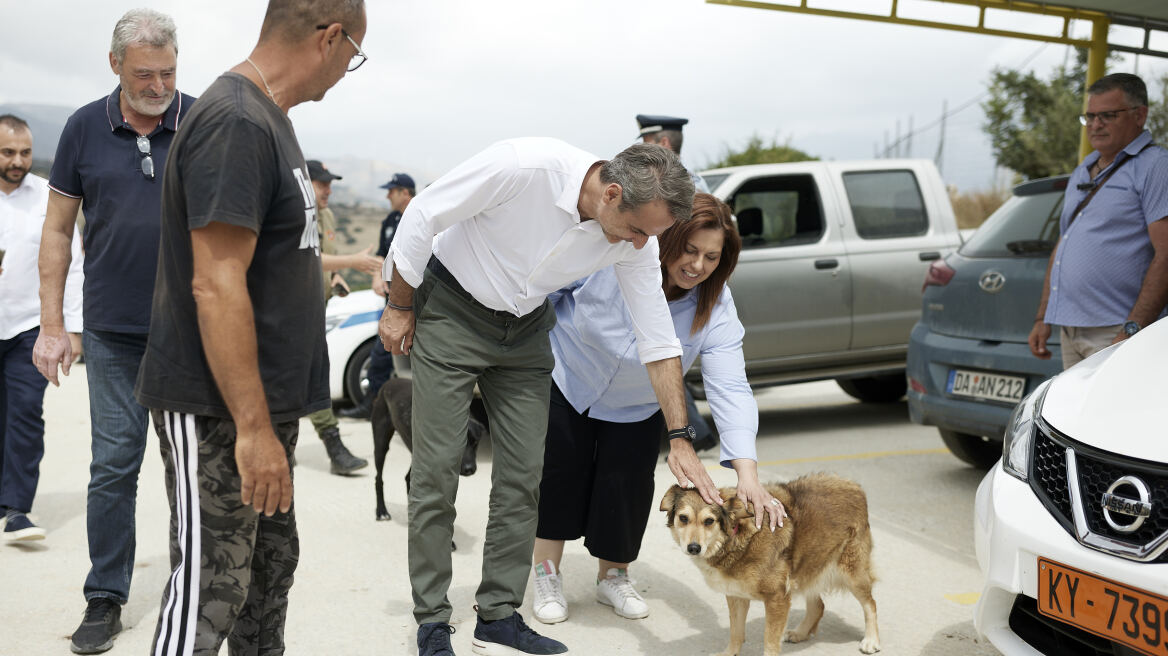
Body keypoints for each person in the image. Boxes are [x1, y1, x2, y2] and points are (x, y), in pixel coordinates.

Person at [380, 139, 718, 656]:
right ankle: (431, 620)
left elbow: (657, 338)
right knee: (437, 472)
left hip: (525, 330)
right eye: (637, 230)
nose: (639, 245)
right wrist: (400, 306)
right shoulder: (523, 167)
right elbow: (423, 214)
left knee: (523, 478)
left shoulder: (637, 241)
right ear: (611, 194)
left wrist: (679, 436)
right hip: (452, 311)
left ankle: (498, 617)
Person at [131, 1, 366, 652]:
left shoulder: (270, 117)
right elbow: (215, 282)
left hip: (262, 406)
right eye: (355, 54)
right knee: (212, 592)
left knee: (266, 575)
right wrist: (254, 429)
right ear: (330, 38)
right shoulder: (236, 121)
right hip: (218, 408)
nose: (350, 69)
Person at [530, 194, 786, 624]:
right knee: (558, 479)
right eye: (689, 249)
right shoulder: (611, 255)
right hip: (569, 380)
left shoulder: (715, 304)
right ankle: (546, 574)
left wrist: (747, 473)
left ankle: (613, 576)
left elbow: (730, 386)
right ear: (669, 238)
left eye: (711, 257)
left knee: (626, 488)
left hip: (640, 404)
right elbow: (543, 294)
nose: (697, 265)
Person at [32, 9, 194, 653]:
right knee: (113, 466)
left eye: (169, 73)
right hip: (111, 332)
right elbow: (56, 231)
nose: (159, 86)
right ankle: (105, 596)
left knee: (192, 469)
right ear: (115, 65)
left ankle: (196, 588)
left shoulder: (202, 120)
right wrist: (52, 325)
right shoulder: (82, 127)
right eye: (144, 74)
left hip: (190, 330)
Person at [1029, 73, 1168, 370]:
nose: (1095, 125)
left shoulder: (1156, 166)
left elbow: (1166, 254)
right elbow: (1064, 244)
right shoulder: (1084, 168)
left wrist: (1132, 329)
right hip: (1071, 331)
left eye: (1108, 115)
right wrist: (1043, 317)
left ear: (1140, 115)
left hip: (1118, 331)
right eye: (1090, 117)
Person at [0, 115, 84, 543]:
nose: (18, 161)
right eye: (7, 153)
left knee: (25, 413)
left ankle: (16, 509)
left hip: (30, 326)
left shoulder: (47, 196)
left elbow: (73, 263)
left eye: (25, 153)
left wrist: (73, 329)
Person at [636, 113, 717, 451]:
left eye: (647, 142)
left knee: (663, 358)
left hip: (672, 289)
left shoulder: (685, 187)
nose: (642, 150)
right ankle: (692, 432)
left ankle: (690, 433)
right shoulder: (695, 181)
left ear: (664, 143)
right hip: (660, 286)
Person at [304, 158, 374, 472]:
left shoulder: (328, 215)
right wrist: (353, 261)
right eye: (322, 183)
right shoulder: (293, 215)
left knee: (312, 374)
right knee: (308, 376)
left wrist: (336, 278)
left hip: (317, 307)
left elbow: (326, 260)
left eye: (330, 184)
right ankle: (333, 445)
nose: (328, 190)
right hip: (290, 312)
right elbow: (305, 258)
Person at [338, 171, 416, 420]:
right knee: (382, 353)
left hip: (416, 303)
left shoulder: (421, 217)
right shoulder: (391, 220)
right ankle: (373, 406)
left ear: (405, 192)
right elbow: (383, 254)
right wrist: (376, 276)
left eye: (391, 191)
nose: (387, 196)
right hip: (392, 301)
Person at [637, 114, 711, 194]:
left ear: (664, 143)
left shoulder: (683, 184)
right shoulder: (693, 180)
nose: (643, 149)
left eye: (647, 144)